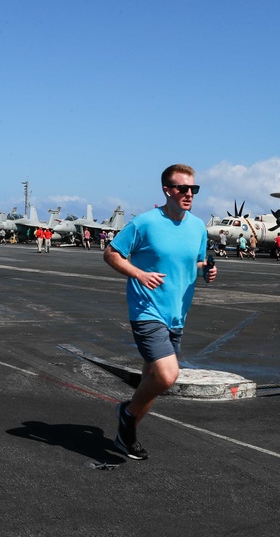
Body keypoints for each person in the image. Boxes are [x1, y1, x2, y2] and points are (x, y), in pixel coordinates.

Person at [103, 164, 216, 460]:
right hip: (146, 309)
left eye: (194, 189)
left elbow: (197, 262)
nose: (189, 194)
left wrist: (207, 271)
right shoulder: (145, 223)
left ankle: (124, 437)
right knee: (167, 376)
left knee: (151, 381)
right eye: (183, 188)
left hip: (177, 314)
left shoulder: (198, 227)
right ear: (167, 190)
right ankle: (127, 413)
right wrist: (139, 274)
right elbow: (111, 253)